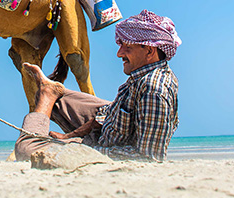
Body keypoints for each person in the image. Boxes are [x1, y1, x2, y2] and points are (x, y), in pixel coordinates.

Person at [14, 10, 180, 162]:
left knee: (25, 150)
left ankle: (37, 125)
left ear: (150, 52)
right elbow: (111, 112)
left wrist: (82, 149)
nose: (119, 53)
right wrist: (72, 135)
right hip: (112, 124)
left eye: (127, 47)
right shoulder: (140, 76)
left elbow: (149, 156)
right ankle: (49, 92)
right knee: (58, 101)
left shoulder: (154, 90)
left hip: (109, 145)